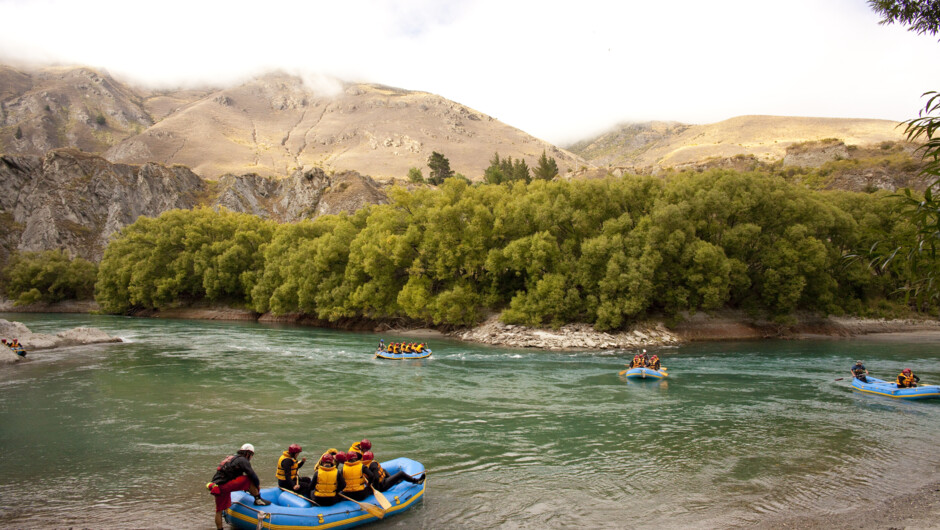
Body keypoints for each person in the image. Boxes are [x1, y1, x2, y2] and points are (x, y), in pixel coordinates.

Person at [206, 443, 270, 530]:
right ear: (248, 454)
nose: (251, 457)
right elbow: (252, 475)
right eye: (251, 455)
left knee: (219, 511)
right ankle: (258, 499)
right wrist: (257, 486)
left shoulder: (232, 458)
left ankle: (220, 529)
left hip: (216, 486)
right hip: (224, 486)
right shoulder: (243, 460)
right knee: (248, 479)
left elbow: (232, 475)